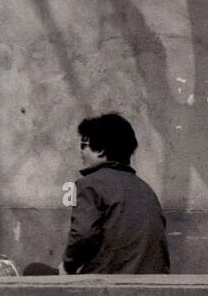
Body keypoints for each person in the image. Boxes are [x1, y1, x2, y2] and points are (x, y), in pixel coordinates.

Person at [61, 112, 170, 275]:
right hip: (151, 287)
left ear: (101, 151)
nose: (81, 152)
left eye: (84, 145)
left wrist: (67, 266)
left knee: (34, 270)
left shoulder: (89, 185)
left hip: (109, 286)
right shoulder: (146, 190)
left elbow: (83, 236)